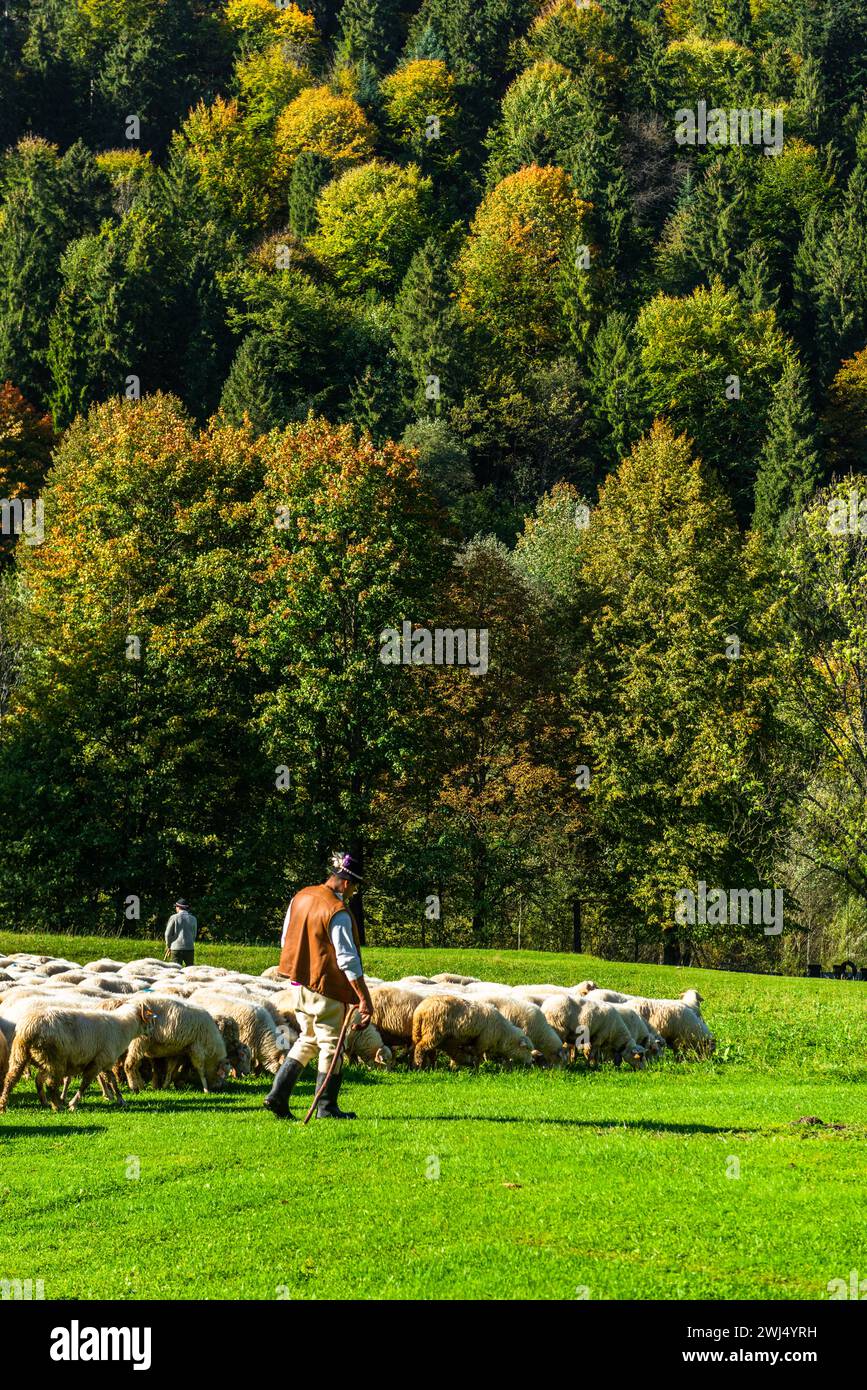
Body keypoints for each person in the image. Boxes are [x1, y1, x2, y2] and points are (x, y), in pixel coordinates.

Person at [264, 852, 373, 1120]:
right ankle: (327, 1107)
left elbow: (285, 940)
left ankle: (278, 1095)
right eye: (355, 887)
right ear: (347, 883)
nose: (353, 893)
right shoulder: (337, 912)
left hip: (298, 984)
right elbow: (347, 960)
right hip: (326, 988)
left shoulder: (300, 897)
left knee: (308, 1039)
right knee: (332, 1045)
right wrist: (364, 998)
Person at [164, 899, 197, 967]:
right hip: (190, 948)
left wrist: (168, 945)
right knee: (190, 970)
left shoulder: (174, 917)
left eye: (176, 907)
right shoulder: (193, 918)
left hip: (176, 948)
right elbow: (194, 934)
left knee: (175, 970)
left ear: (178, 907)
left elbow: (167, 934)